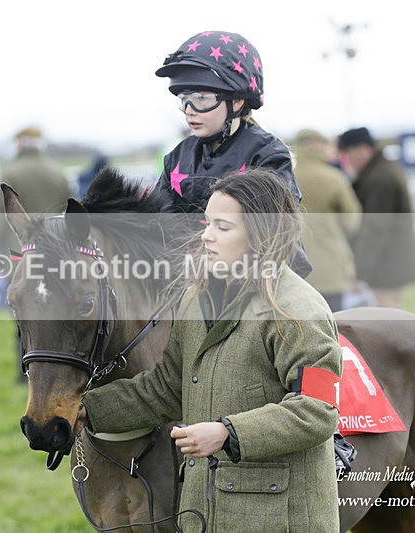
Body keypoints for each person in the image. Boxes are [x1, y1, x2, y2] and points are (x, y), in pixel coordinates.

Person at [79, 168, 342, 532]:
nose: (206, 236)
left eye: (223, 226)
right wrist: (86, 410)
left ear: (261, 233)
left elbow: (318, 411)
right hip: (204, 516)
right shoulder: (195, 300)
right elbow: (165, 389)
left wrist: (228, 433)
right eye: (207, 223)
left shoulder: (299, 310)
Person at [152, 30, 311, 277]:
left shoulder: (268, 154)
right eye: (185, 99)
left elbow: (271, 232)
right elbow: (155, 223)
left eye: (202, 98)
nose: (189, 110)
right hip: (192, 277)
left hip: (258, 278)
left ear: (237, 101)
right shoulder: (177, 157)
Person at [337, 127, 415, 308]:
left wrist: (359, 273)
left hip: (386, 266)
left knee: (386, 317)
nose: (347, 160)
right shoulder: (383, 170)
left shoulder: (379, 179)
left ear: (364, 150)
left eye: (348, 153)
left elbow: (375, 230)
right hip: (391, 262)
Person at [0, 126, 71, 267]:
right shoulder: (58, 172)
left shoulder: (11, 173)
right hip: (57, 256)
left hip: (22, 257)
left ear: (21, 143)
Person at [292, 129, 362, 312]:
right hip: (331, 267)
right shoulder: (334, 178)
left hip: (295, 269)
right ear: (315, 144)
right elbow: (351, 222)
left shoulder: (285, 176)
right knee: (335, 320)